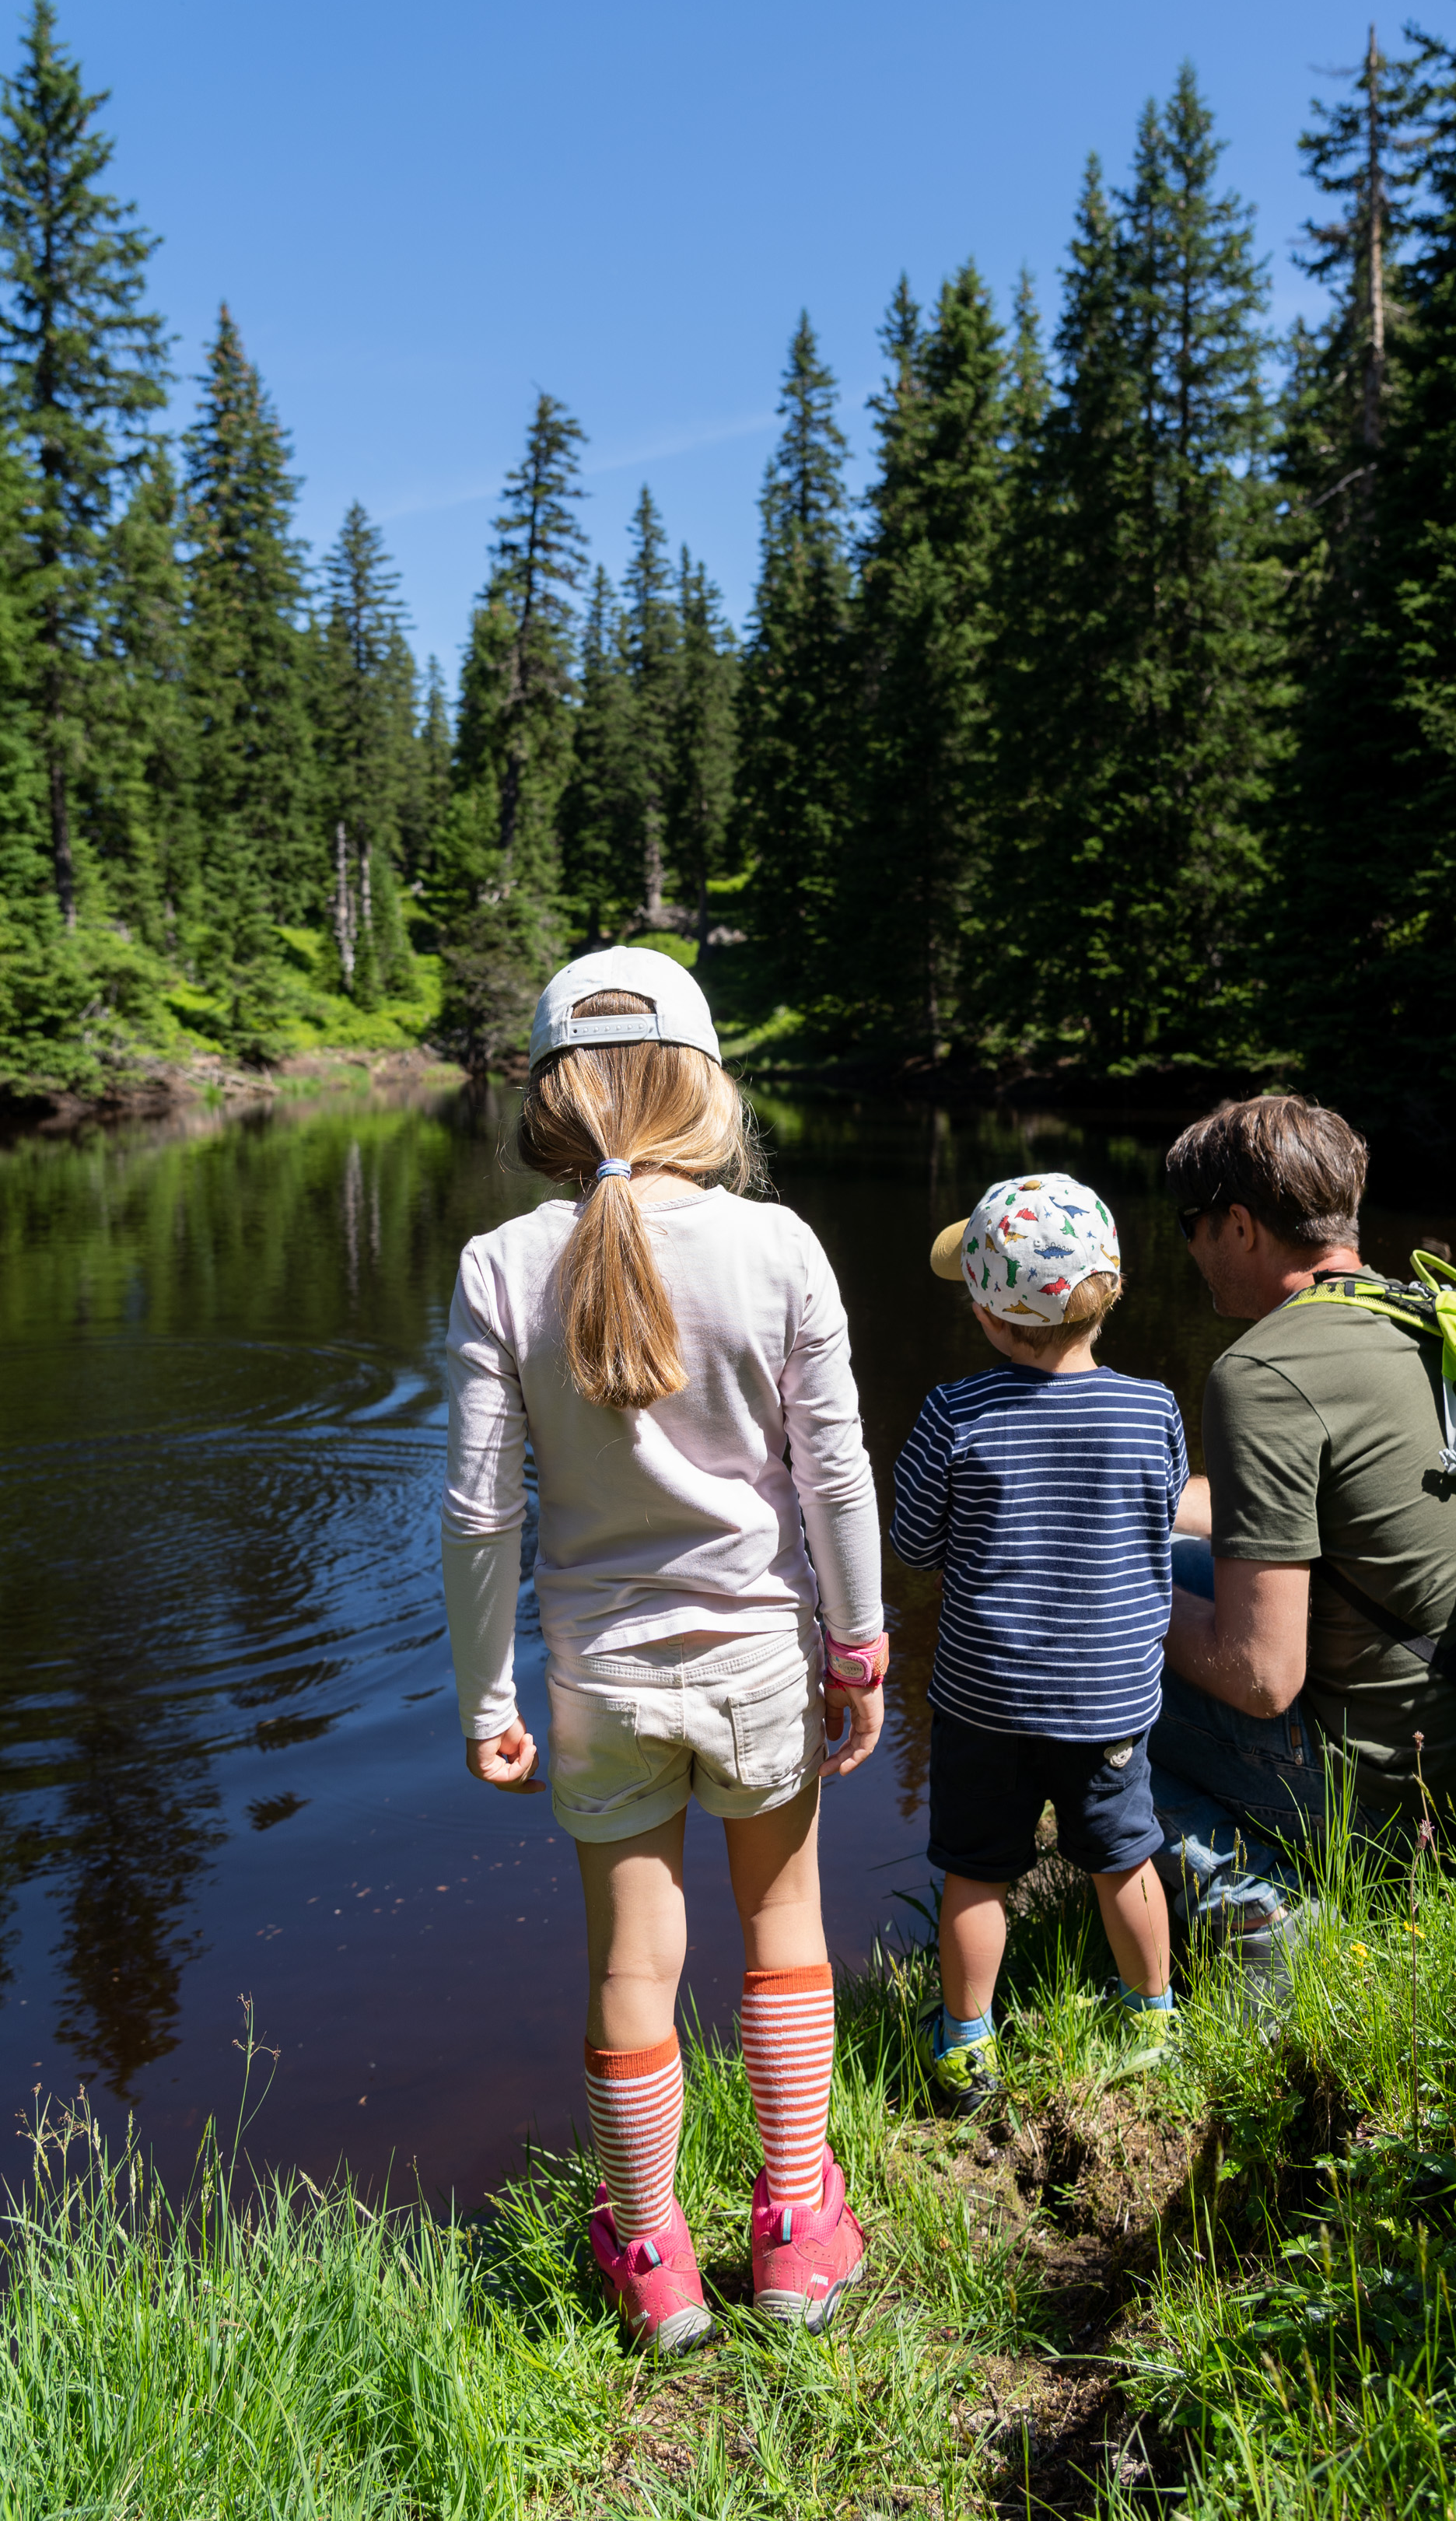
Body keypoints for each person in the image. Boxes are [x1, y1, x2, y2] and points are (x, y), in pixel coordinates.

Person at [439, 947, 888, 2354]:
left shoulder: (500, 1263)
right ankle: (794, 2225)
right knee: (783, 1933)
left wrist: (482, 1700)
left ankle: (650, 2256)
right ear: (703, 1083)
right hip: (760, 1660)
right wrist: (858, 1650)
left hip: (596, 1681)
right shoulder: (779, 1246)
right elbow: (835, 1481)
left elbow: (473, 1515)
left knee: (631, 1963)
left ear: (552, 1096)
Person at [1153, 1094, 1456, 1986]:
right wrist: (1125, 1510)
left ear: (1238, 1225)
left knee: (1071, 1688)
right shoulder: (1424, 1314)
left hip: (1376, 1793)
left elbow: (1259, 1673)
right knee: (1161, 1556)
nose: (1190, 1246)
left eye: (1191, 1224)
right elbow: (1313, 1504)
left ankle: (1265, 1915)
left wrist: (1104, 1597)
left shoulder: (1260, 1372)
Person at [890, 1172, 1187, 2115]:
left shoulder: (953, 1412)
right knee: (1122, 1853)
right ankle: (1151, 2017)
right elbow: (1158, 1522)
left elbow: (913, 1544)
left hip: (986, 1699)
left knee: (977, 1870)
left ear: (986, 1310)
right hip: (1107, 1698)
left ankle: (964, 2047)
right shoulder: (1153, 1409)